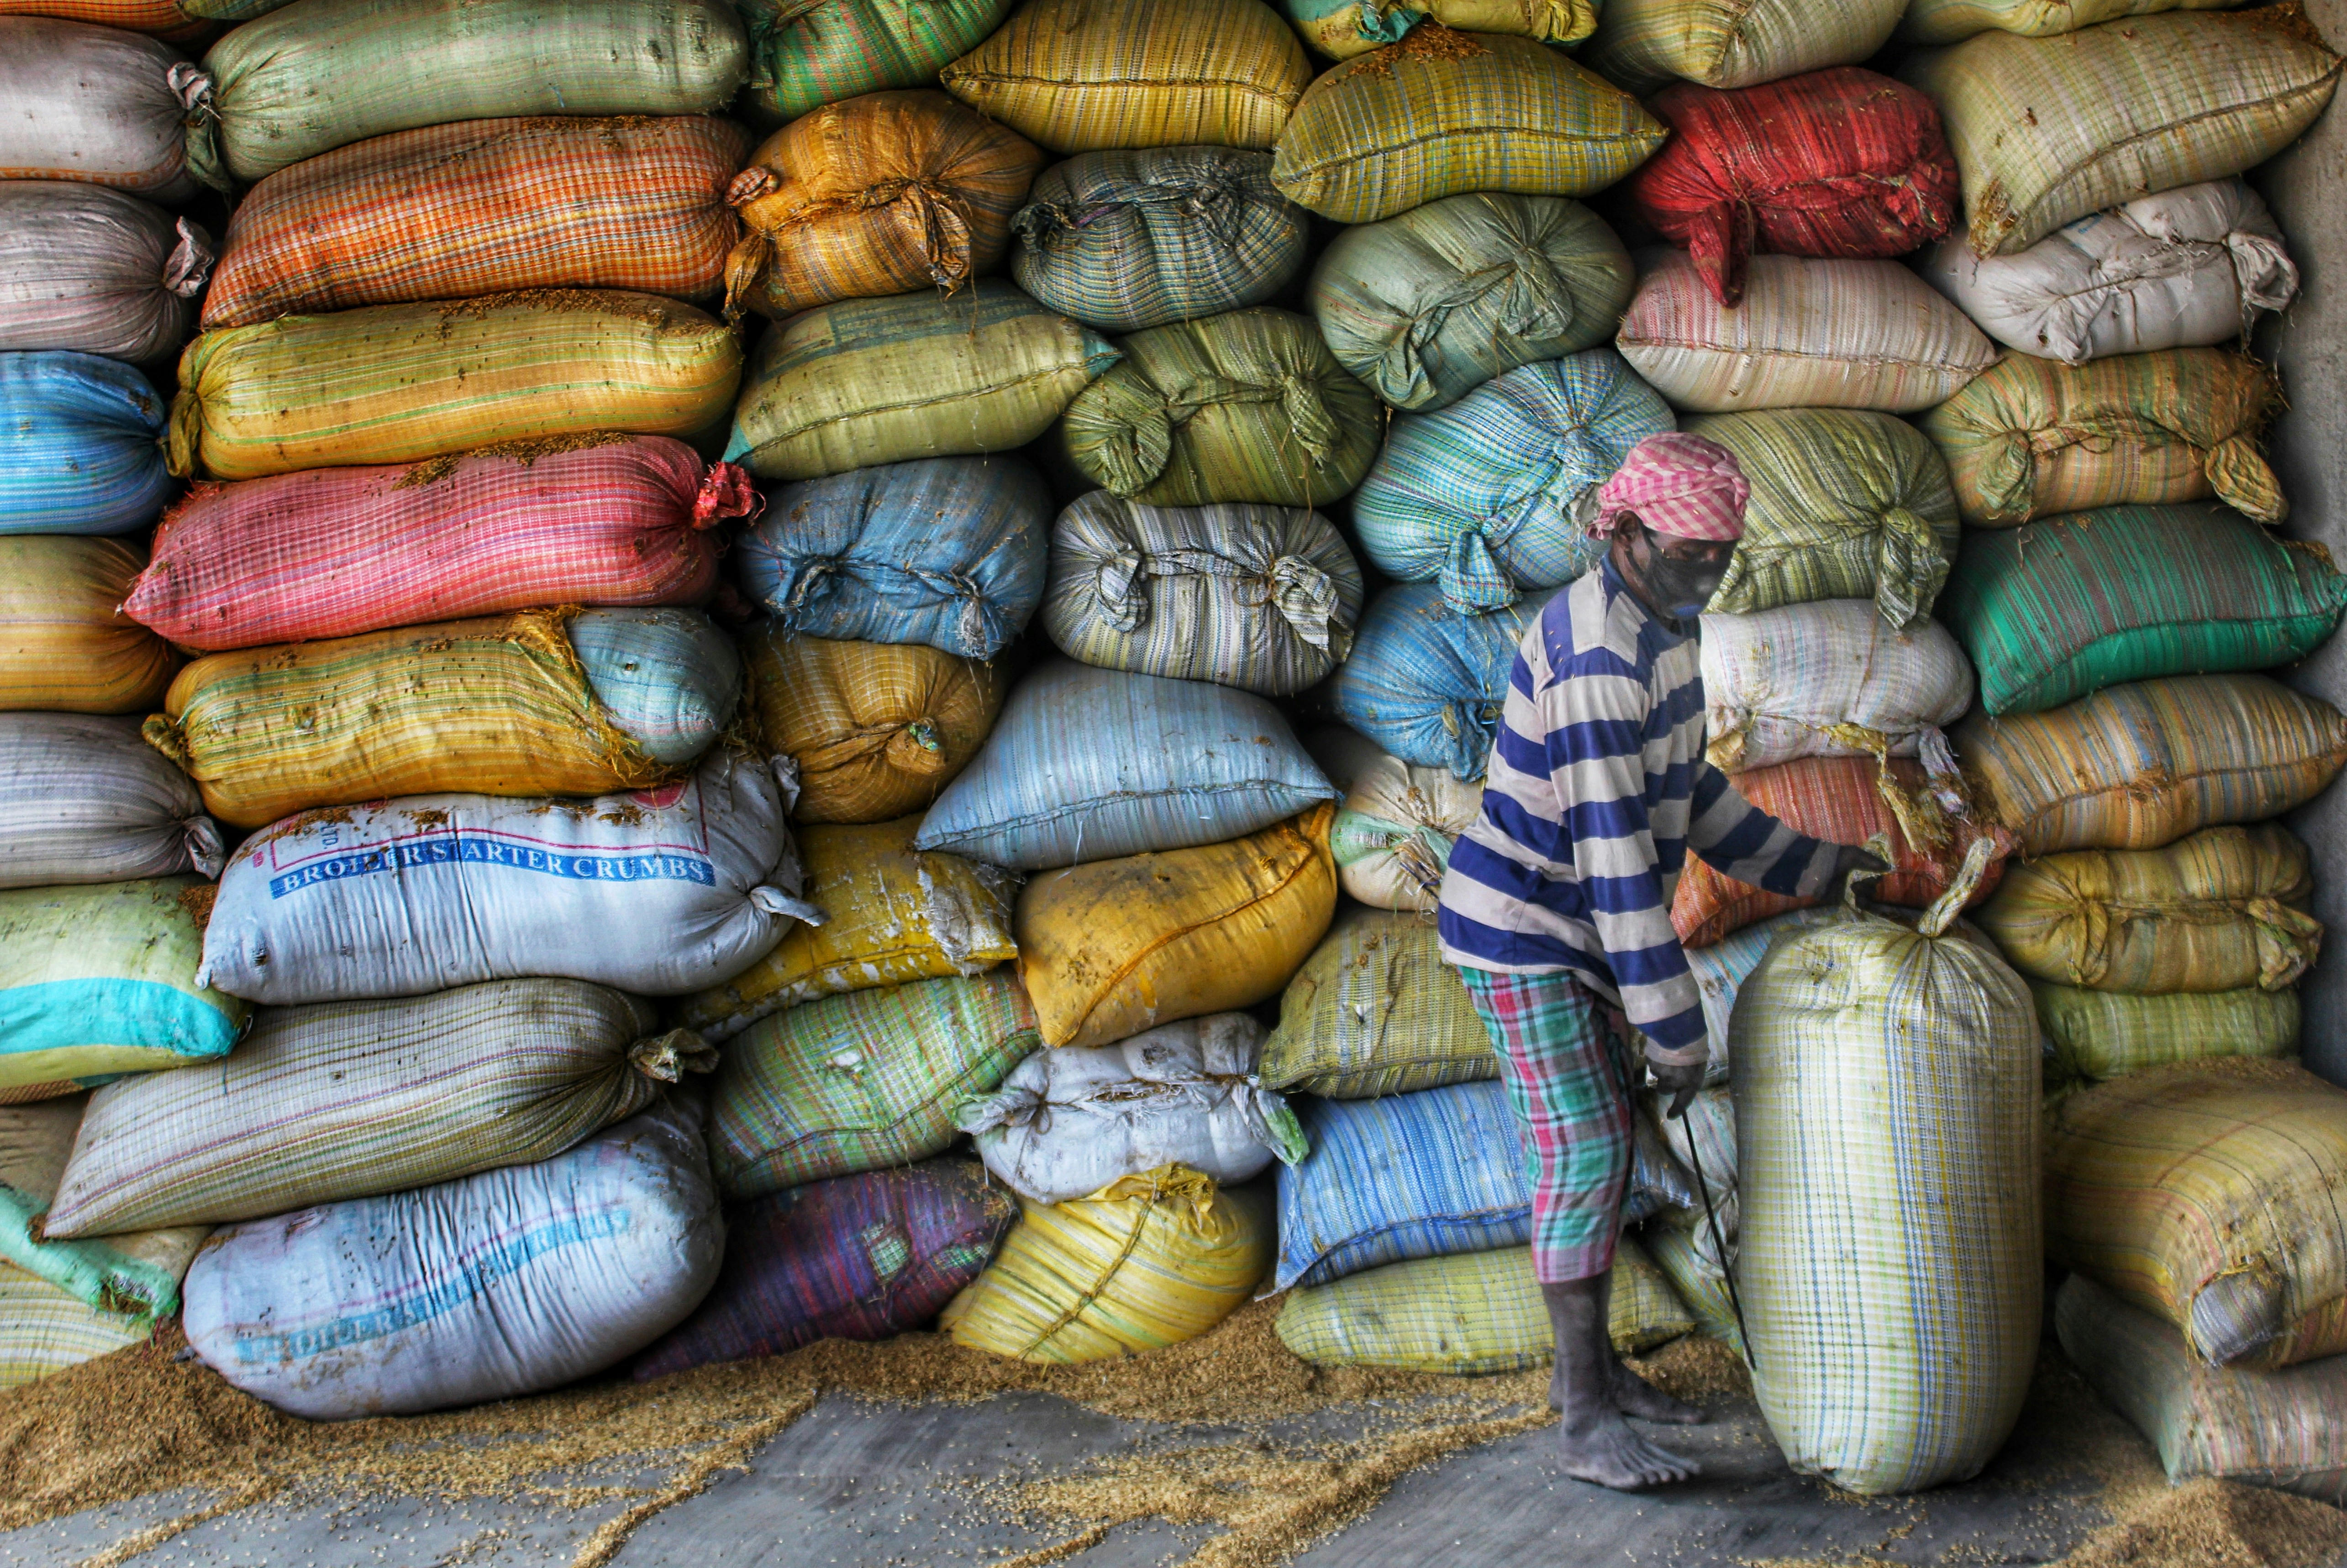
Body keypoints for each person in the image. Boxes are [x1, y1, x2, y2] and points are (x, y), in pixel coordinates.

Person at [1435, 432, 1887, 1491]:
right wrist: (1674, 1024)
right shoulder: (1598, 660)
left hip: (1579, 927)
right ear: (1625, 534)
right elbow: (1613, 863)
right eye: (1689, 555)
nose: (1707, 574)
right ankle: (1584, 1418)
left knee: (1598, 1144)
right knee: (1586, 1150)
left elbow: (1693, 804)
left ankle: (1590, 1380)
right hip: (1525, 932)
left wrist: (1821, 869)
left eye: (1721, 557)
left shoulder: (1664, 628)